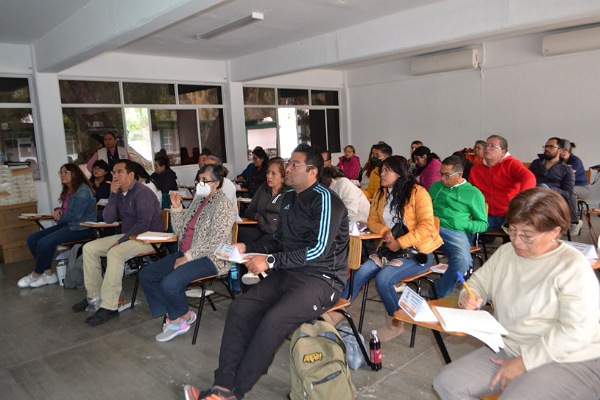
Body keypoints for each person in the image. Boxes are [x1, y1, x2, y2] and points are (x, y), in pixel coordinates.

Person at [184, 144, 349, 400]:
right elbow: (279, 241)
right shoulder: (289, 198)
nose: (287, 168)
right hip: (290, 272)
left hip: (322, 279)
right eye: (288, 163)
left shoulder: (326, 200)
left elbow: (319, 251)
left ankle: (233, 393)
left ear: (313, 172)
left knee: (272, 321)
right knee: (240, 309)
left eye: (294, 164)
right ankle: (222, 385)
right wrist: (247, 248)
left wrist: (269, 261)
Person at [433, 188, 600, 400]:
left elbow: (577, 331)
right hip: (513, 348)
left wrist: (525, 362)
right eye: (511, 230)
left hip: (570, 357)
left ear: (554, 232)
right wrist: (469, 295)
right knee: (448, 383)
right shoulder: (506, 253)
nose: (517, 241)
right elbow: (478, 283)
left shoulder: (572, 266)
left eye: (527, 236)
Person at [344, 156, 443, 342]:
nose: (381, 174)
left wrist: (400, 242)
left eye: (386, 171)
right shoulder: (381, 193)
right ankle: (336, 313)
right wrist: (384, 231)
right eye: (382, 170)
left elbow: (427, 226)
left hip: (417, 252)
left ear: (399, 173)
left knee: (384, 279)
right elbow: (372, 220)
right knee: (359, 272)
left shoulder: (418, 192)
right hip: (389, 250)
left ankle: (395, 324)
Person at [138, 164, 235, 342]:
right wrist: (176, 208)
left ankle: (177, 322)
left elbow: (215, 242)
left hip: (211, 258)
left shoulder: (223, 205)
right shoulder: (199, 200)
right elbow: (180, 232)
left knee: (169, 283)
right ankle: (178, 314)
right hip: (186, 252)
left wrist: (187, 258)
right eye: (199, 180)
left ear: (216, 183)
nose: (200, 184)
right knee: (147, 275)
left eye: (204, 180)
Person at [72, 160, 163, 327]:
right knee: (89, 248)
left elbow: (143, 225)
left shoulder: (143, 193)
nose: (115, 176)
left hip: (150, 238)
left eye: (120, 172)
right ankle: (94, 297)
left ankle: (109, 306)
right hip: (130, 236)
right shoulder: (119, 193)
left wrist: (120, 242)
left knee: (115, 253)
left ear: (131, 175)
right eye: (114, 172)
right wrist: (113, 195)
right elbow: (108, 219)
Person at [18, 164, 96, 288]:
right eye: (61, 173)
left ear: (74, 173)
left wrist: (59, 218)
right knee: (32, 239)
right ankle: (48, 274)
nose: (62, 175)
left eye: (66, 172)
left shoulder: (82, 190)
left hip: (82, 227)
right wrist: (58, 211)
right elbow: (66, 210)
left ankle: (36, 274)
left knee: (44, 242)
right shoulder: (69, 190)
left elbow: (75, 216)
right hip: (69, 225)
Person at [428, 155, 488, 298]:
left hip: (453, 232)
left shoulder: (473, 193)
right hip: (429, 227)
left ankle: (438, 291)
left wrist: (463, 224)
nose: (442, 178)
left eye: (447, 175)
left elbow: (483, 224)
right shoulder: (435, 187)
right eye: (441, 173)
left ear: (459, 175)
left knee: (463, 261)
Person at [468, 135, 536, 231]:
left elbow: (529, 177)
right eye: (486, 145)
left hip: (509, 216)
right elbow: (470, 192)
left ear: (503, 152)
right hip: (484, 215)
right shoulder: (475, 169)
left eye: (493, 146)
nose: (487, 148)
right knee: (463, 225)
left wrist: (523, 201)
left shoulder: (511, 164)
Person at [528, 137, 576, 234]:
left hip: (553, 201)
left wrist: (548, 189)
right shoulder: (536, 163)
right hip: (533, 197)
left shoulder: (566, 169)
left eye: (551, 146)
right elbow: (527, 180)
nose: (547, 148)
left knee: (542, 187)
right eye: (546, 146)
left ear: (560, 150)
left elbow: (568, 193)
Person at [239, 158, 287, 243]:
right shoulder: (263, 188)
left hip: (277, 233)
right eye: (268, 172)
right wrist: (259, 217)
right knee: (238, 233)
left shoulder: (289, 193)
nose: (269, 176)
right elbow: (249, 211)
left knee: (258, 244)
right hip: (260, 228)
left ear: (283, 178)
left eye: (273, 173)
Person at [560, 139, 590, 234]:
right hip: (565, 186)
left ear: (568, 151)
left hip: (582, 187)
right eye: (560, 150)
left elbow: (568, 176)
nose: (562, 153)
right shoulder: (558, 160)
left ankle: (574, 222)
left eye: (564, 150)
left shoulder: (575, 160)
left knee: (570, 192)